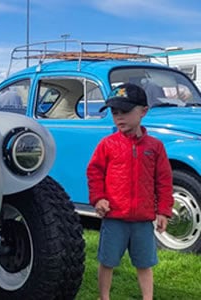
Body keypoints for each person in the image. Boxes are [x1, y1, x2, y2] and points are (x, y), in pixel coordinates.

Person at [87, 83, 174, 300]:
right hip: (114, 216)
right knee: (107, 261)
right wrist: (98, 199)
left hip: (143, 219)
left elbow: (164, 180)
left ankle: (148, 297)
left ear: (143, 111)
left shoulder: (155, 147)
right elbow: (94, 173)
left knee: (145, 263)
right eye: (114, 112)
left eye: (125, 111)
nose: (119, 117)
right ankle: (104, 296)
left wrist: (163, 211)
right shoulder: (107, 145)